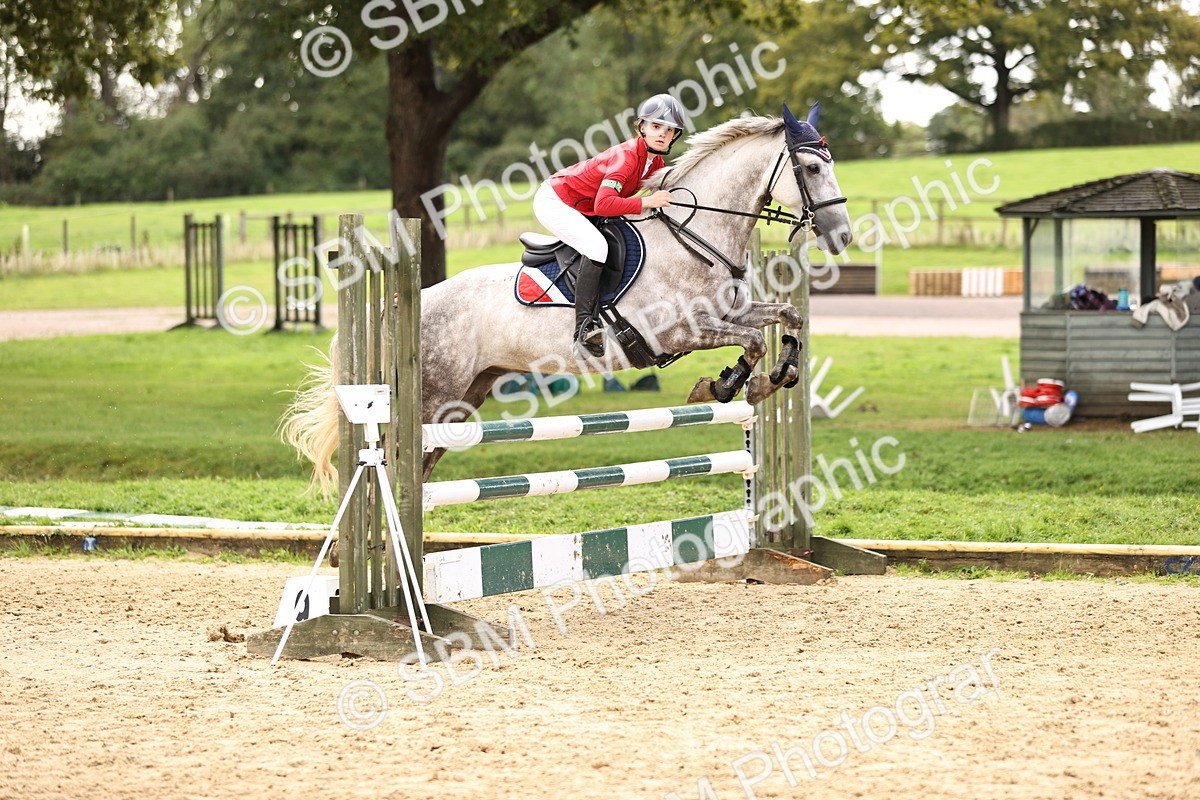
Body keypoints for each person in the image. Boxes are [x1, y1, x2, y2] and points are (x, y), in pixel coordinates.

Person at [533, 93, 686, 357]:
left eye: (670, 130)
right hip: (555, 201)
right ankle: (583, 330)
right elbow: (604, 204)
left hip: (581, 205)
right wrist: (647, 203)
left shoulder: (655, 161)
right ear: (642, 127)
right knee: (596, 247)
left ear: (675, 136)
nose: (662, 134)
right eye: (656, 127)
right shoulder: (626, 158)